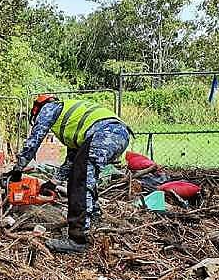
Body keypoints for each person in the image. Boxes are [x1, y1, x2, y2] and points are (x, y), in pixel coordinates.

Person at [9, 94, 131, 253]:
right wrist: (53, 183)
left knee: (80, 179)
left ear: (36, 109)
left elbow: (34, 140)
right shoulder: (73, 121)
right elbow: (71, 160)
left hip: (105, 134)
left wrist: (18, 169)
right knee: (82, 173)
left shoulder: (49, 108)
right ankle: (93, 214)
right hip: (119, 133)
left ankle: (77, 239)